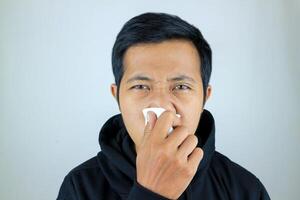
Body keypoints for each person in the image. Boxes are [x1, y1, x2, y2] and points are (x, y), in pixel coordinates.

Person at [57, 12, 271, 200]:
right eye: (141, 86)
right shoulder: (80, 188)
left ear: (205, 97)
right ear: (117, 96)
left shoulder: (245, 189)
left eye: (181, 86)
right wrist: (150, 193)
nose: (161, 106)